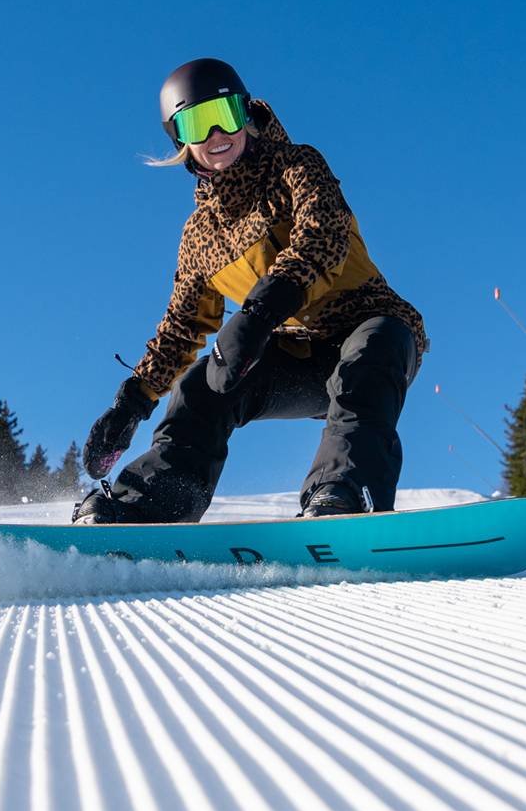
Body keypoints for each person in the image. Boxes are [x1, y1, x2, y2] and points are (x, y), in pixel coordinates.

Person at [75, 58, 428, 524]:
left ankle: (342, 495)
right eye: (199, 122)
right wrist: (132, 403)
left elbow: (321, 239)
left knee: (369, 358)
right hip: (298, 358)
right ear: (179, 139)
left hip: (372, 324)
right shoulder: (200, 236)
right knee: (203, 386)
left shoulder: (296, 166)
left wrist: (259, 314)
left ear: (246, 113)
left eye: (227, 113)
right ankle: (154, 505)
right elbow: (182, 327)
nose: (217, 133)